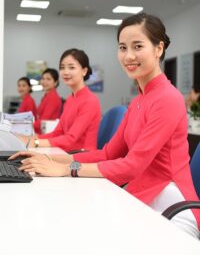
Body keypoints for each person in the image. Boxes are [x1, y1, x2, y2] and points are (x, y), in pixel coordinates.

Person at [11, 14, 200, 237]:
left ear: (159, 48)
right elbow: (109, 153)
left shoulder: (168, 98)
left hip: (171, 207)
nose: (128, 56)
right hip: (141, 196)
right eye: (122, 47)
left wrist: (66, 169)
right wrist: (48, 159)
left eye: (137, 46)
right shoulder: (140, 100)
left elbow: (132, 165)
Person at [19, 48, 101, 151]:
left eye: (71, 67)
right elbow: (58, 133)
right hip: (67, 151)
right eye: (62, 67)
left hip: (81, 156)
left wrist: (35, 142)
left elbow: (71, 139)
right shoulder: (70, 99)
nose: (65, 72)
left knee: (28, 161)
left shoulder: (90, 101)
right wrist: (31, 139)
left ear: (84, 71)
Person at [33, 68, 62, 134]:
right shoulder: (46, 96)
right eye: (43, 79)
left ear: (55, 82)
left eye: (48, 79)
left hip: (47, 134)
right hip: (42, 131)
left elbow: (44, 120)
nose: (44, 82)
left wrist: (28, 126)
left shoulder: (53, 98)